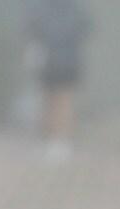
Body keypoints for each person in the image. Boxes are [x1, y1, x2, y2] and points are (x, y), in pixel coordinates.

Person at [25, 0, 91, 161]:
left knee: (56, 100)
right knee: (58, 100)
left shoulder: (41, 8)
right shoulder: (75, 8)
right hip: (65, 59)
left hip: (56, 59)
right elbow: (86, 28)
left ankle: (57, 140)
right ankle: (57, 141)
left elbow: (30, 28)